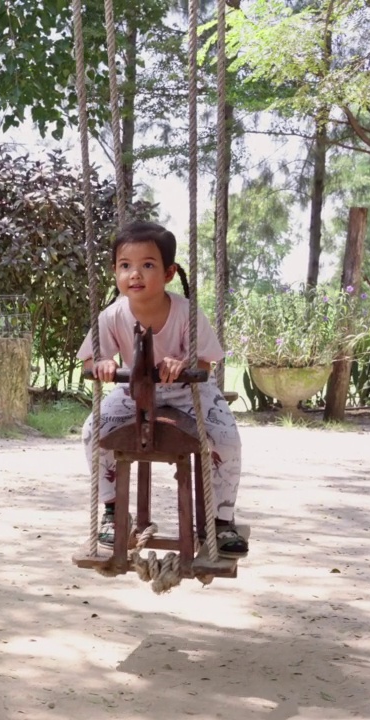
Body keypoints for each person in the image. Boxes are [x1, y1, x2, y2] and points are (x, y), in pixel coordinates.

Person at [77, 220, 247, 558]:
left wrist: (184, 364)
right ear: (115, 272)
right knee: (91, 433)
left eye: (147, 265)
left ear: (169, 273)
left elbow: (206, 364)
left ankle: (221, 519)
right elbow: (88, 363)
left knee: (227, 441)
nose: (135, 274)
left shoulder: (186, 312)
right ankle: (112, 510)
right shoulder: (112, 316)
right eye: (125, 266)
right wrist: (104, 365)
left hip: (191, 396)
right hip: (133, 396)